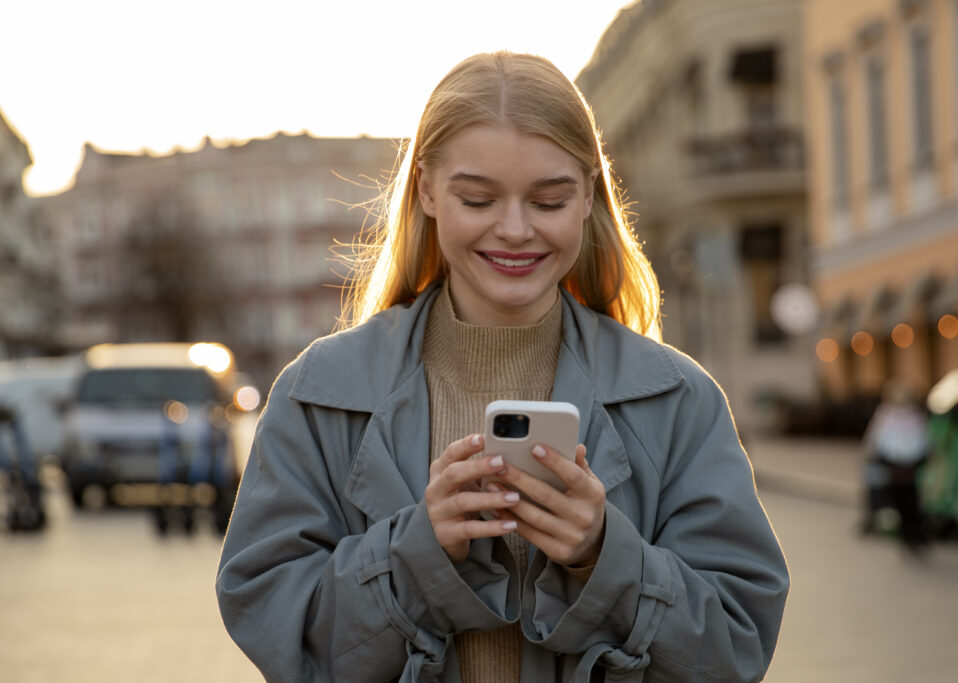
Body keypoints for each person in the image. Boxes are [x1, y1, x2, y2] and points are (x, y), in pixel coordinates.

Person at [216, 52, 789, 682]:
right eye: (478, 198)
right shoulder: (316, 394)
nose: (514, 230)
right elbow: (274, 627)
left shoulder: (679, 399)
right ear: (427, 190)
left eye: (548, 201)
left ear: (588, 196)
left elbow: (738, 644)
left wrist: (606, 557)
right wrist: (416, 555)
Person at [860, 377, 930, 550]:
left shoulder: (914, 415)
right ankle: (906, 533)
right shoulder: (885, 414)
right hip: (893, 465)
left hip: (910, 467)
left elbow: (922, 438)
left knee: (912, 501)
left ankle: (914, 533)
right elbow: (876, 437)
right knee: (898, 500)